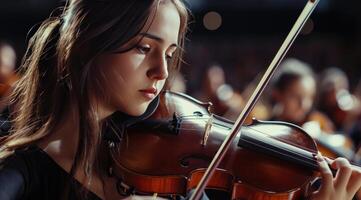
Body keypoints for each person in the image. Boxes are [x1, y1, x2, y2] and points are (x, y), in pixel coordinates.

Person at [0, 1, 360, 200]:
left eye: (170, 54)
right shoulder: (20, 177)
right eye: (144, 48)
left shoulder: (165, 167)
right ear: (86, 44)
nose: (161, 72)